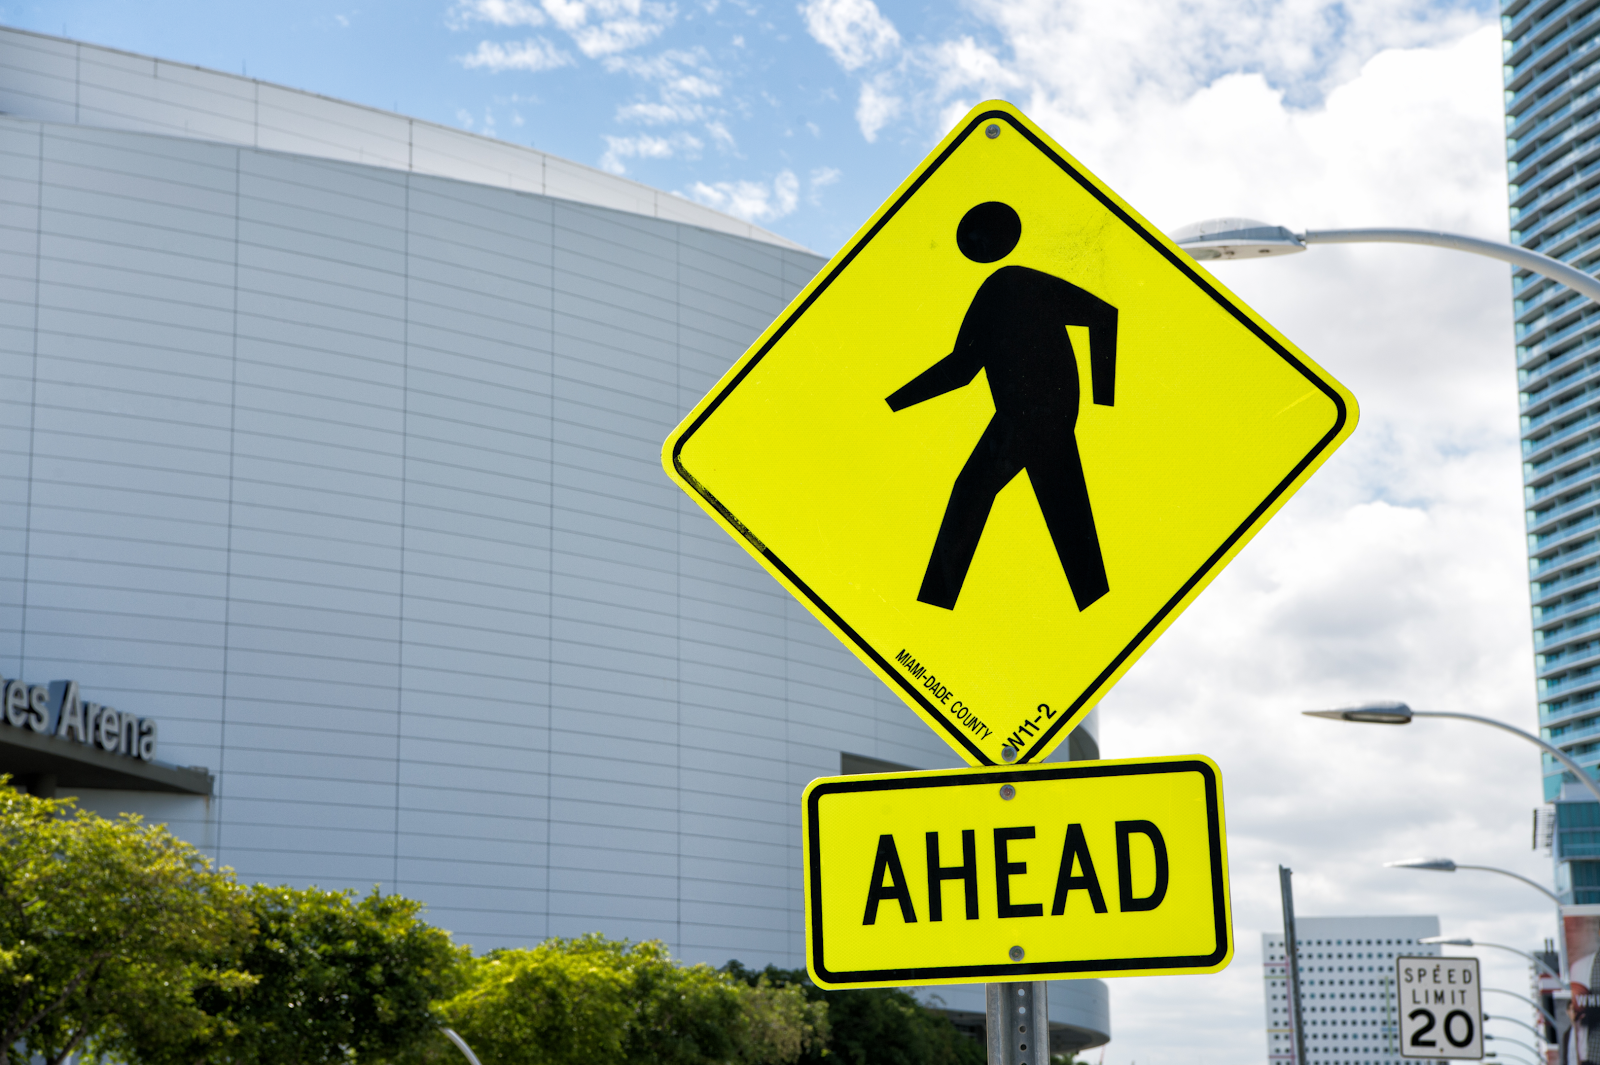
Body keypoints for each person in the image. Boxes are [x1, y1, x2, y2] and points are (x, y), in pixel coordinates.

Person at [886, 200, 1119, 612]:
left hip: (1030, 415)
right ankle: (1099, 606)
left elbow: (1103, 316)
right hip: (1042, 415)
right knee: (1067, 514)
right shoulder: (998, 289)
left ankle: (934, 606)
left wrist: (1105, 400)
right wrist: (894, 403)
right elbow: (961, 368)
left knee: (971, 494)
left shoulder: (1011, 282)